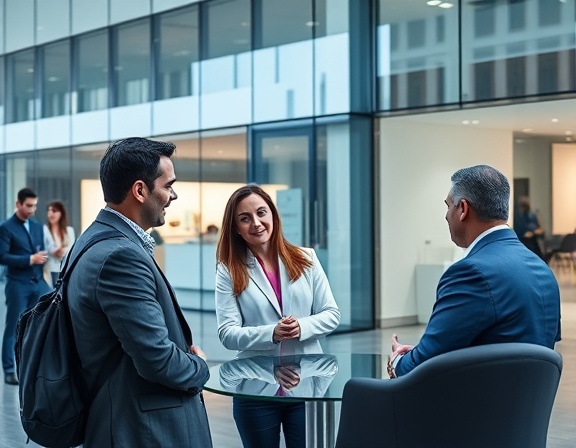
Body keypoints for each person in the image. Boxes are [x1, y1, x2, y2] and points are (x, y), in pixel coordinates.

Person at [66, 137, 212, 447]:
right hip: (143, 430)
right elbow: (157, 359)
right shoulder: (120, 255)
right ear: (140, 190)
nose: (173, 194)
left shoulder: (91, 241)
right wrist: (198, 365)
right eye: (168, 185)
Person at [388, 165, 561, 379]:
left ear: (463, 209)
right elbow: (509, 344)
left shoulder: (470, 273)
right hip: (527, 409)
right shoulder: (543, 271)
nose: (446, 216)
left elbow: (419, 366)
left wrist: (398, 360)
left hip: (472, 408)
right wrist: (424, 351)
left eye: (448, 206)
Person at [215, 184, 340, 448]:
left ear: (273, 215)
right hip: (254, 389)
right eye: (245, 218)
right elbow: (227, 333)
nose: (256, 223)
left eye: (262, 213)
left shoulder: (306, 258)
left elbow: (331, 315)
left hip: (306, 383)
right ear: (235, 227)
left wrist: (301, 327)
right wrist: (271, 332)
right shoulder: (228, 270)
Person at [0, 187, 51, 385]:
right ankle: (9, 370)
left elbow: (40, 250)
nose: (32, 209)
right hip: (17, 285)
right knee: (13, 328)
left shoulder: (38, 226)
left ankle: (34, 368)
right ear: (18, 204)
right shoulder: (6, 227)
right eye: (28, 206)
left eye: (35, 206)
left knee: (42, 326)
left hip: (38, 284)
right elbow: (2, 257)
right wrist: (29, 259)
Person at [43, 200, 76, 287]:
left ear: (61, 213)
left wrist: (62, 251)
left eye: (54, 211)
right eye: (48, 211)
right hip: (49, 271)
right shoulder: (44, 230)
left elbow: (72, 249)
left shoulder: (69, 231)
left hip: (65, 271)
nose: (51, 214)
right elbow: (43, 249)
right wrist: (53, 251)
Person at [513, 196, 545, 260]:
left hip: (533, 243)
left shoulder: (533, 215)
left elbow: (541, 230)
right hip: (522, 243)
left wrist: (533, 233)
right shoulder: (517, 217)